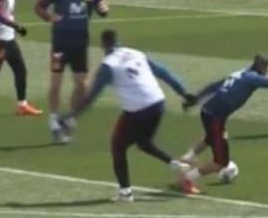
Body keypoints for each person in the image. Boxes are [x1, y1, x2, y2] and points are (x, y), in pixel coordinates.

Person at [58, 30, 197, 202]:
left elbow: (92, 96)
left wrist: (72, 115)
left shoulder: (108, 65)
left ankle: (125, 193)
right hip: (158, 103)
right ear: (118, 41)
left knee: (118, 146)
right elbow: (163, 72)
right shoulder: (136, 53)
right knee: (144, 142)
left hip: (138, 110)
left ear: (103, 45)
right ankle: (176, 164)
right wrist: (183, 92)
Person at [177, 54, 268, 194]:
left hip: (209, 112)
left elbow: (214, 86)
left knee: (212, 137)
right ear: (263, 67)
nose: (267, 71)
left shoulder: (239, 73)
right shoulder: (253, 78)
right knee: (221, 162)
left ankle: (186, 158)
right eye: (267, 67)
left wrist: (196, 98)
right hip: (215, 116)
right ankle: (187, 179)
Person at [35, 0, 109, 139]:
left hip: (80, 44)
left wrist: (104, 10)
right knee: (56, 83)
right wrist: (48, 17)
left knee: (82, 84)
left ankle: (69, 117)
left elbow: (101, 10)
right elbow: (39, 6)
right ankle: (53, 118)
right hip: (61, 43)